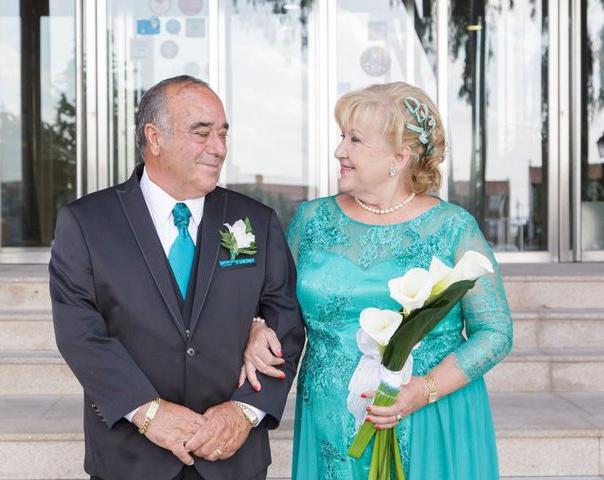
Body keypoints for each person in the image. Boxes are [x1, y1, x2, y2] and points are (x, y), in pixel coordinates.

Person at [242, 82, 513, 479]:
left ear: (399, 158)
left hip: (425, 420)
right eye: (341, 137)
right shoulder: (312, 220)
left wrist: (423, 390)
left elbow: (496, 331)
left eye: (354, 140)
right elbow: (271, 302)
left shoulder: (452, 228)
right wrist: (256, 326)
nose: (340, 151)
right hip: (329, 419)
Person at [49, 75, 305, 480]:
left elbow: (286, 324)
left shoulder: (256, 221)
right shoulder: (85, 223)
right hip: (130, 459)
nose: (218, 148)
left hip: (232, 458)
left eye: (222, 134)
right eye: (201, 133)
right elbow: (79, 332)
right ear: (154, 137)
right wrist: (148, 413)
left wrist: (244, 412)